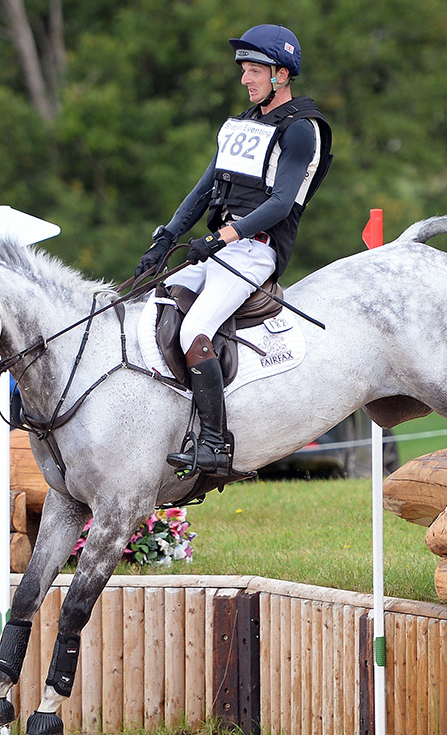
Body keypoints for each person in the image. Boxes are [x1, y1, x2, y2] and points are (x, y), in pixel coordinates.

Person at [136, 23, 332, 479]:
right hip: (220, 248)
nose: (245, 78)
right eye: (243, 69)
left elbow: (281, 203)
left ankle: (214, 445)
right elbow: (204, 189)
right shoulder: (243, 125)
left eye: (254, 70)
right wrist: (166, 237)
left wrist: (223, 237)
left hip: (255, 250)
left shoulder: (301, 130)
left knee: (195, 330)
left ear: (281, 75)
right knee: (157, 307)